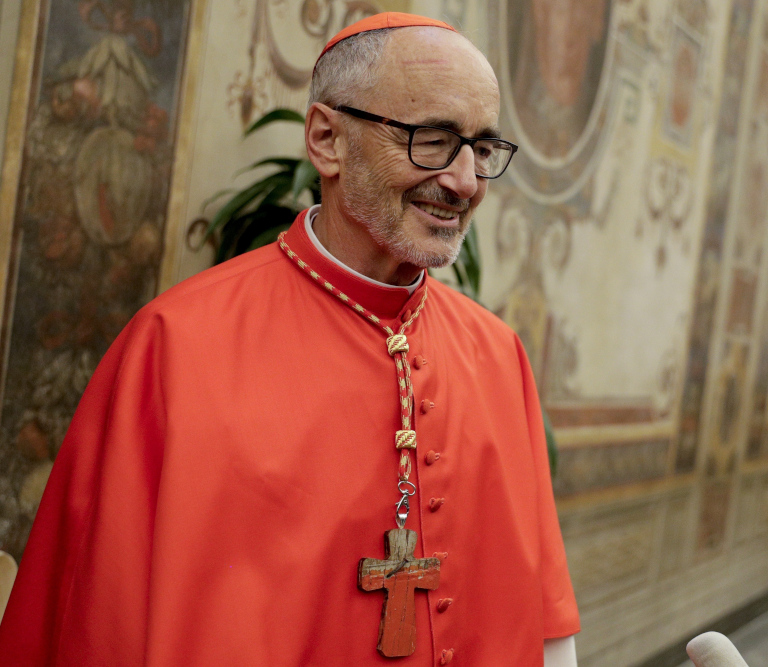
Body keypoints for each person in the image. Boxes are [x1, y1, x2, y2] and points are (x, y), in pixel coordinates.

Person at [0, 12, 579, 666]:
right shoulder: (175, 348)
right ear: (327, 138)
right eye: (432, 140)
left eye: (482, 148)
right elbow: (93, 623)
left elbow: (545, 624)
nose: (465, 181)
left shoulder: (500, 357)